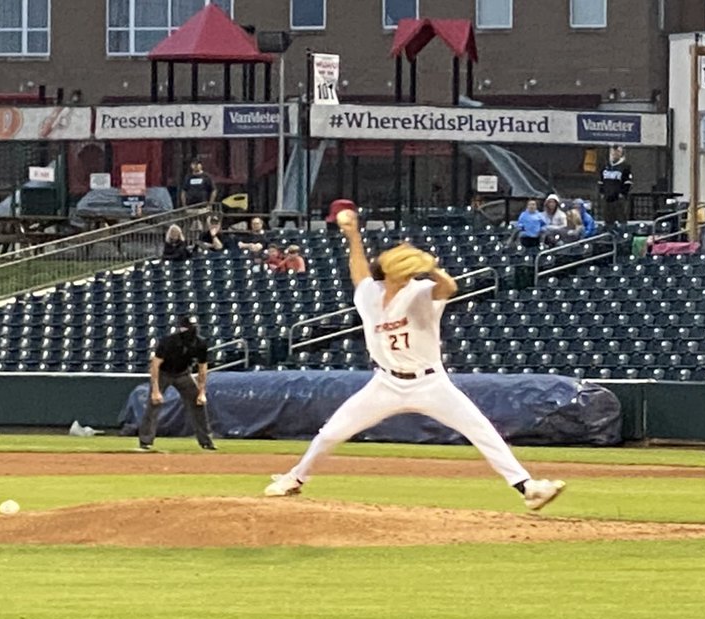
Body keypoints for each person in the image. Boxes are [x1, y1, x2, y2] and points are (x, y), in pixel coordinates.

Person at [264, 199, 566, 510]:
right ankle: (295, 478)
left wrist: (432, 269)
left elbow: (449, 289)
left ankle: (528, 487)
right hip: (385, 384)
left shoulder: (420, 291)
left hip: (430, 383)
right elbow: (358, 271)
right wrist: (353, 235)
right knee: (331, 433)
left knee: (480, 430)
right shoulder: (370, 294)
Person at [137, 315, 216, 452]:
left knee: (198, 403)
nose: (192, 331)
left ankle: (206, 441)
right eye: (190, 328)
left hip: (183, 374)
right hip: (164, 373)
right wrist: (156, 390)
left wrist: (202, 392)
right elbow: (155, 365)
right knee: (154, 404)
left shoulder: (200, 343)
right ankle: (145, 441)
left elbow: (202, 367)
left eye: (194, 328)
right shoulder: (169, 342)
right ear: (182, 329)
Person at [598, 145, 632, 228]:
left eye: (618, 152)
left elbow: (627, 182)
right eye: (613, 152)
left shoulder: (625, 167)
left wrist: (623, 193)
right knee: (608, 218)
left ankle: (623, 233)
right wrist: (602, 192)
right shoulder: (605, 166)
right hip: (607, 197)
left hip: (618, 198)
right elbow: (601, 181)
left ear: (621, 153)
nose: (615, 154)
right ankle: (609, 233)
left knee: (621, 217)